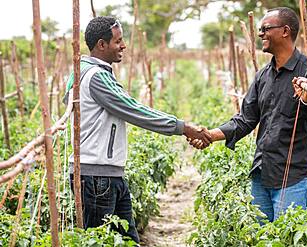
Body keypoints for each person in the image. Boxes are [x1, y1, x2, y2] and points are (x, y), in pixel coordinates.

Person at [64, 16, 211, 244]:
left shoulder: (85, 71)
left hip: (106, 174)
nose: (124, 46)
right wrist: (183, 128)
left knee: (129, 239)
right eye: (118, 41)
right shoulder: (95, 77)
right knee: (100, 240)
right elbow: (135, 110)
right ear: (101, 45)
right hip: (96, 176)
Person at [189, 7, 307, 222]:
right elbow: (246, 119)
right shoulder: (263, 76)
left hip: (294, 175)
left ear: (285, 31)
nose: (260, 34)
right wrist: (209, 135)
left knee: (286, 237)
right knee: (262, 237)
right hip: (262, 171)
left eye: (265, 28)